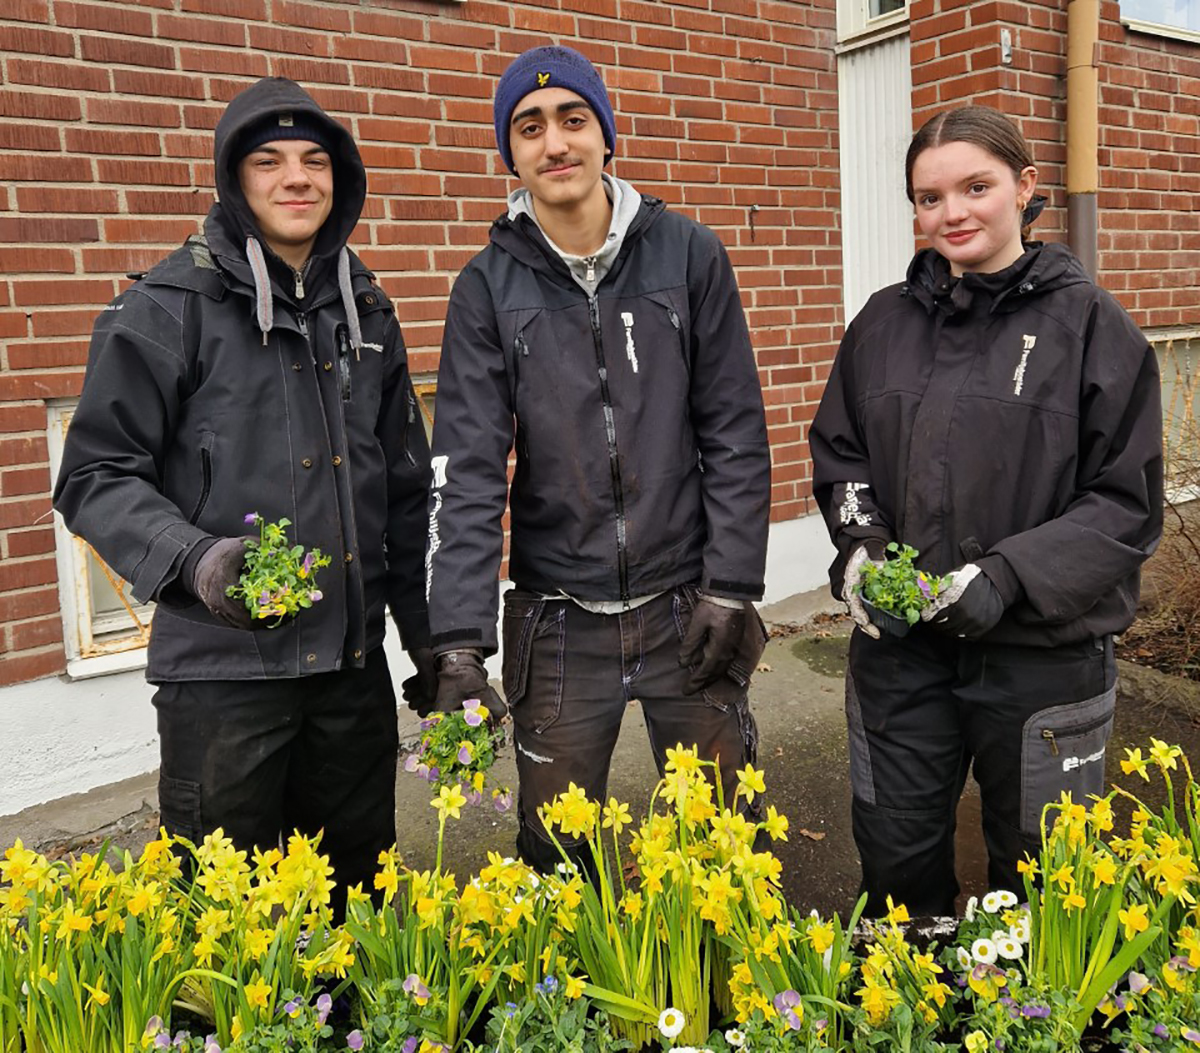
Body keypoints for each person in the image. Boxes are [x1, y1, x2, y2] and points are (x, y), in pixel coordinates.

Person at [53, 77, 435, 909]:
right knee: (229, 924)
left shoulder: (368, 313)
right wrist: (198, 561)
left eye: (313, 160)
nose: (295, 177)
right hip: (222, 687)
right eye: (269, 161)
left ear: (338, 178)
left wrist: (435, 644)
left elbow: (405, 494)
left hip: (350, 674)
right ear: (236, 180)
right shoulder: (165, 309)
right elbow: (93, 475)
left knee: (357, 908)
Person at [423, 45, 772, 872]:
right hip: (559, 620)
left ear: (606, 135)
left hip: (688, 605)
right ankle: (568, 1001)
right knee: (555, 853)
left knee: (726, 840)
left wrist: (733, 584)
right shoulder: (485, 288)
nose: (555, 143)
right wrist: (459, 643)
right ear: (511, 153)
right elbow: (467, 470)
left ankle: (725, 997)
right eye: (530, 127)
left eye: (574, 120)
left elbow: (733, 429)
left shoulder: (688, 256)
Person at [811, 105, 1163, 916]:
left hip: (1041, 658)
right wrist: (861, 547)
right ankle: (914, 1016)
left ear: (1025, 188)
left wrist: (1006, 576)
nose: (952, 212)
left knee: (1047, 884)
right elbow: (843, 457)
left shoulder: (1089, 326)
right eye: (930, 197)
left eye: (976, 186)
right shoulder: (881, 324)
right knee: (899, 868)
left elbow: (1125, 500)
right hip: (902, 657)